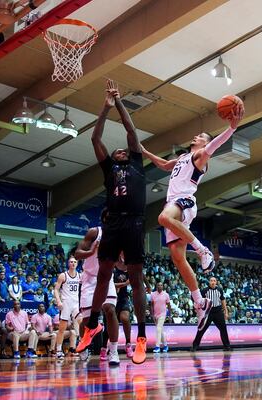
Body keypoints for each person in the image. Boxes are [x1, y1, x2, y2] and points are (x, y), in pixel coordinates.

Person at [141, 102, 244, 332]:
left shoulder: (199, 155)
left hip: (184, 200)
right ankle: (199, 301)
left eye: (200, 136)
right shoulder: (183, 157)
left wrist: (231, 128)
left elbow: (214, 146)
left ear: (204, 143)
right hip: (174, 203)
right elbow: (165, 165)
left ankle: (202, 249)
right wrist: (144, 152)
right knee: (178, 258)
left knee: (162, 218)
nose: (196, 137)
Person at [78, 79, 148, 364]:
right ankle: (93, 323)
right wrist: (104, 109)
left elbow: (131, 130)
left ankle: (141, 337)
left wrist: (118, 101)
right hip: (114, 224)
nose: (120, 151)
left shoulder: (136, 164)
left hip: (133, 222)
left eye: (123, 151)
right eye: (117, 151)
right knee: (104, 274)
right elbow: (95, 139)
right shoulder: (109, 169)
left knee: (136, 279)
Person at [74, 221, 121, 366]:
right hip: (89, 278)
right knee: (87, 320)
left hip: (107, 276)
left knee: (110, 309)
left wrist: (126, 263)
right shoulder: (94, 233)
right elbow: (76, 254)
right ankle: (84, 347)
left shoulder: (119, 237)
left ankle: (113, 350)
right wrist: (91, 252)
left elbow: (121, 265)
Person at [191, 277, 231, 352]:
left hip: (218, 311)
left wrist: (226, 311)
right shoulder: (204, 290)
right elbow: (198, 300)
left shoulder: (220, 290)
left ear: (216, 282)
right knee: (201, 329)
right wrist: (199, 310)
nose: (213, 282)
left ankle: (227, 346)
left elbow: (223, 300)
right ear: (209, 282)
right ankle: (195, 346)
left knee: (223, 328)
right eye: (211, 281)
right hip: (208, 312)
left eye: (214, 281)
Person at [54, 256, 81, 359]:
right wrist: (58, 301)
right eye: (71, 262)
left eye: (74, 262)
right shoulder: (63, 275)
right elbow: (56, 289)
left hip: (76, 303)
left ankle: (81, 348)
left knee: (81, 323)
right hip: (66, 303)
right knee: (62, 328)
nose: (73, 263)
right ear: (68, 264)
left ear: (77, 264)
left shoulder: (80, 276)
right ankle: (59, 350)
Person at [111, 259, 134, 359]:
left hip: (123, 298)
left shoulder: (127, 267)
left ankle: (128, 344)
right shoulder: (112, 267)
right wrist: (125, 284)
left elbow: (139, 276)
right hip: (111, 297)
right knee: (110, 324)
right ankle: (110, 348)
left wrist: (148, 286)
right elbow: (111, 284)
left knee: (125, 318)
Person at [150, 281, 172, 353]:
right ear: (156, 286)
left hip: (163, 314)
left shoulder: (166, 295)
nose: (160, 286)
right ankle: (165, 346)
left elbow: (169, 306)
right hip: (156, 315)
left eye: (161, 285)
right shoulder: (153, 294)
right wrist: (152, 315)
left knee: (158, 329)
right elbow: (151, 305)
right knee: (161, 331)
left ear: (163, 286)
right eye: (158, 285)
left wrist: (170, 315)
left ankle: (157, 347)